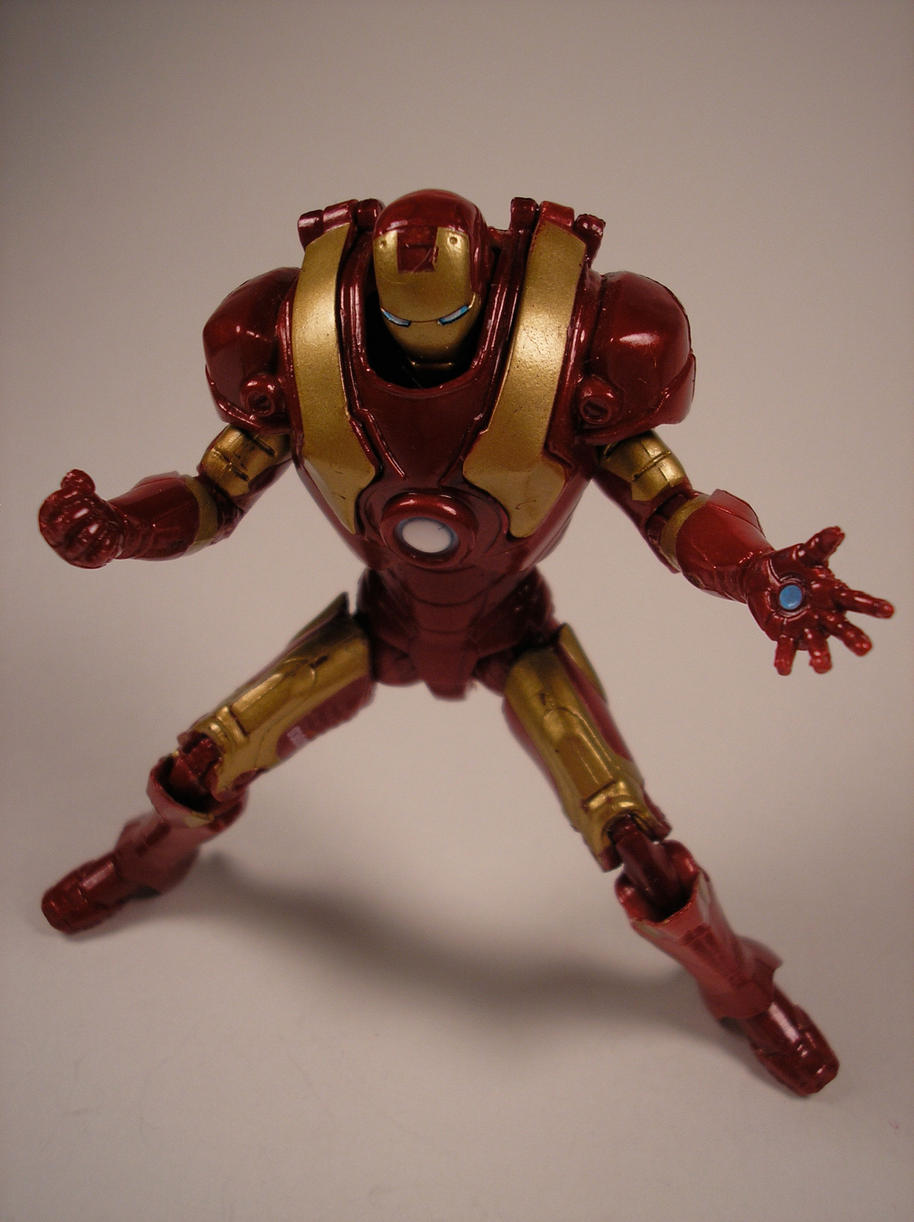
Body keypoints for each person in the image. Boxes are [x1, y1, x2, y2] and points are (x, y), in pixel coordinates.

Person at [38, 190, 893, 1094]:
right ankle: (146, 860)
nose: (425, 343)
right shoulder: (294, 344)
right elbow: (212, 494)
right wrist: (122, 525)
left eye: (446, 321)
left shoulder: (581, 348)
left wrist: (757, 571)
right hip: (383, 620)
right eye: (405, 322)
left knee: (638, 842)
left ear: (487, 293)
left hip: (510, 631)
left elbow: (672, 506)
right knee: (204, 762)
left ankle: (741, 989)